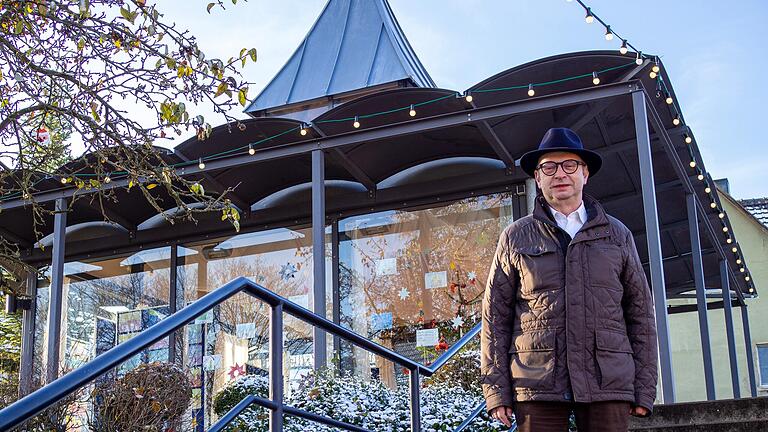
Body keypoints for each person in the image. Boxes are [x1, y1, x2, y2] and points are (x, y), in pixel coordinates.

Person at [480, 128, 658, 432]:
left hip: (608, 378)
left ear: (585, 174)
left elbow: (640, 314)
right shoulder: (516, 236)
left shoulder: (617, 234)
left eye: (569, 165)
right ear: (538, 178)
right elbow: (495, 316)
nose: (559, 174)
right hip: (535, 379)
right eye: (549, 167)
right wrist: (496, 390)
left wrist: (644, 386)